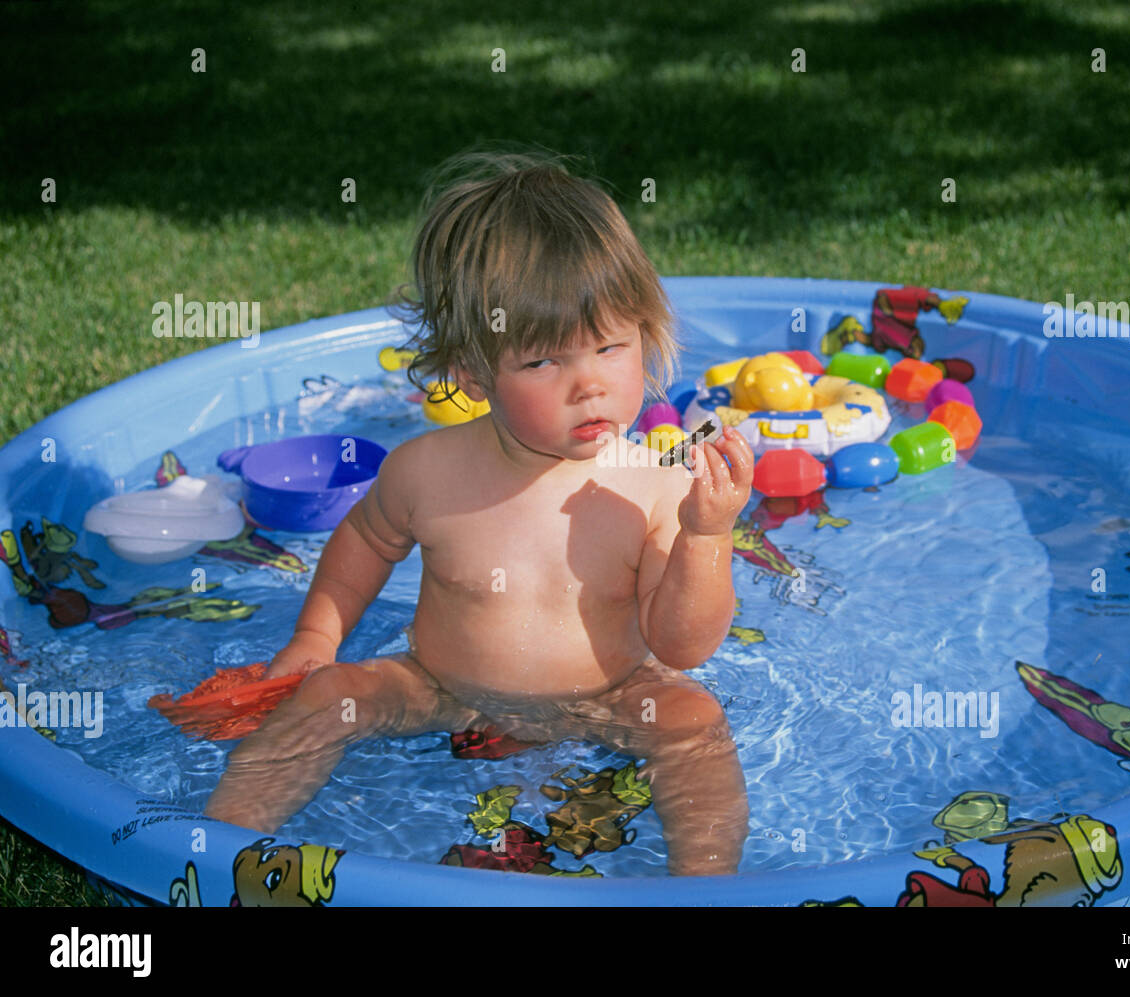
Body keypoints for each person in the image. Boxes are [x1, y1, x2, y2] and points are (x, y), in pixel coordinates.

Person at [205, 148, 754, 875]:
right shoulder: (426, 471)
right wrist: (315, 636)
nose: (589, 384)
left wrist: (706, 535)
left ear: (646, 335)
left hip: (612, 695)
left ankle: (704, 889)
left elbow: (683, 645)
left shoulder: (647, 485)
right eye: (543, 362)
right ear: (469, 369)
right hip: (438, 687)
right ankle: (214, 853)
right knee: (331, 691)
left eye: (610, 346)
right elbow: (363, 542)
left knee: (693, 717)